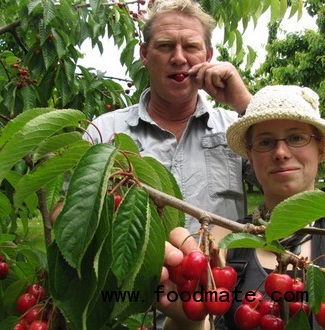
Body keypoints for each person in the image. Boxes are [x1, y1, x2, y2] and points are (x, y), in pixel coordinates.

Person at [159, 85, 325, 329]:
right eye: (265, 142)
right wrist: (185, 317)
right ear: (250, 154)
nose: (280, 152)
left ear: (320, 147)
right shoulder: (223, 241)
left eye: (296, 138)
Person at [84, 0, 253, 233]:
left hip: (219, 269)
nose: (179, 58)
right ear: (144, 54)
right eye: (165, 46)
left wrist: (244, 102)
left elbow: (285, 177)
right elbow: (66, 210)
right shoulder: (103, 132)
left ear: (208, 56)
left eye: (191, 47)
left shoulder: (235, 129)